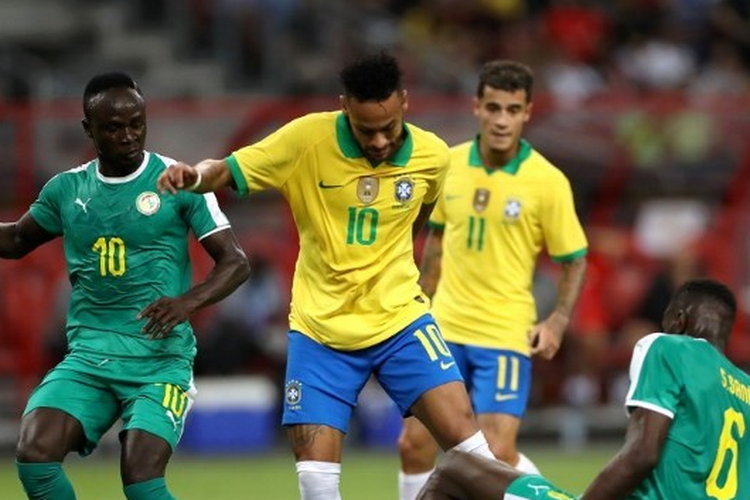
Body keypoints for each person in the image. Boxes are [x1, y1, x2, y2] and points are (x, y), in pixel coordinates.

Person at [157, 51, 495, 500]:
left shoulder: (432, 156)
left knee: (475, 453)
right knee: (317, 483)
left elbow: (422, 213)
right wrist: (193, 176)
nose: (378, 141)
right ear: (344, 107)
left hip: (400, 322)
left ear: (405, 105)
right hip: (321, 332)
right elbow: (226, 170)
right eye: (365, 129)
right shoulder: (306, 140)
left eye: (388, 128)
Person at [2, 72, 250, 500]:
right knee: (34, 455)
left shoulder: (179, 181)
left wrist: (185, 303)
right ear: (88, 129)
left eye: (137, 123)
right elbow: (17, 240)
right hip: (89, 357)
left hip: (159, 360)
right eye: (114, 127)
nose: (129, 135)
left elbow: (235, 262)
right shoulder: (67, 190)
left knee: (140, 478)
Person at [397, 59, 588, 499]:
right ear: (476, 108)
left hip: (504, 332)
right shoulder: (449, 164)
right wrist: (413, 309)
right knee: (414, 443)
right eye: (494, 108)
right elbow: (437, 247)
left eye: (512, 110)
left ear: (528, 113)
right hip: (442, 326)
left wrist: (557, 320)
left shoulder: (547, 181)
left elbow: (574, 258)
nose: (502, 120)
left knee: (496, 455)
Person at [417, 278, 750, 500]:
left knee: (455, 467)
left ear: (677, 320)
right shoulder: (745, 390)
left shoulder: (669, 347)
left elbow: (643, 453)